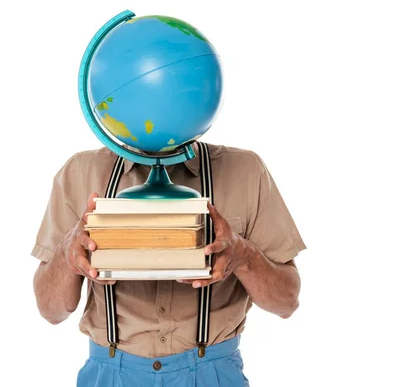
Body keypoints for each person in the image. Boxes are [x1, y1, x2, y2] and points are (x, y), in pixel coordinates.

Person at [32, 142, 305, 386]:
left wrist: (244, 256)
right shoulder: (80, 172)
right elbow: (50, 310)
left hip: (214, 374)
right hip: (110, 374)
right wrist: (68, 251)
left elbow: (286, 301)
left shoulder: (246, 171)